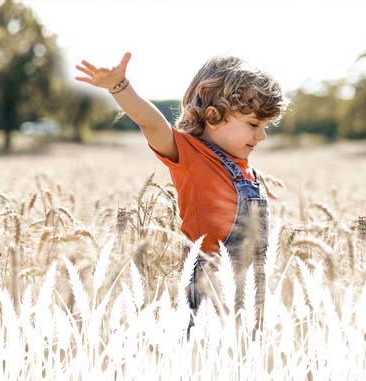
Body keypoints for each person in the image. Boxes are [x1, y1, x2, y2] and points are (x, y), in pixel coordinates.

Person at [74, 53, 289, 338]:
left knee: (246, 353)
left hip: (252, 291)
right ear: (213, 116)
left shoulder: (246, 169)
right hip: (209, 288)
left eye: (265, 127)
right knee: (206, 354)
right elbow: (152, 124)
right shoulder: (191, 156)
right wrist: (119, 86)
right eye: (253, 125)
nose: (262, 136)